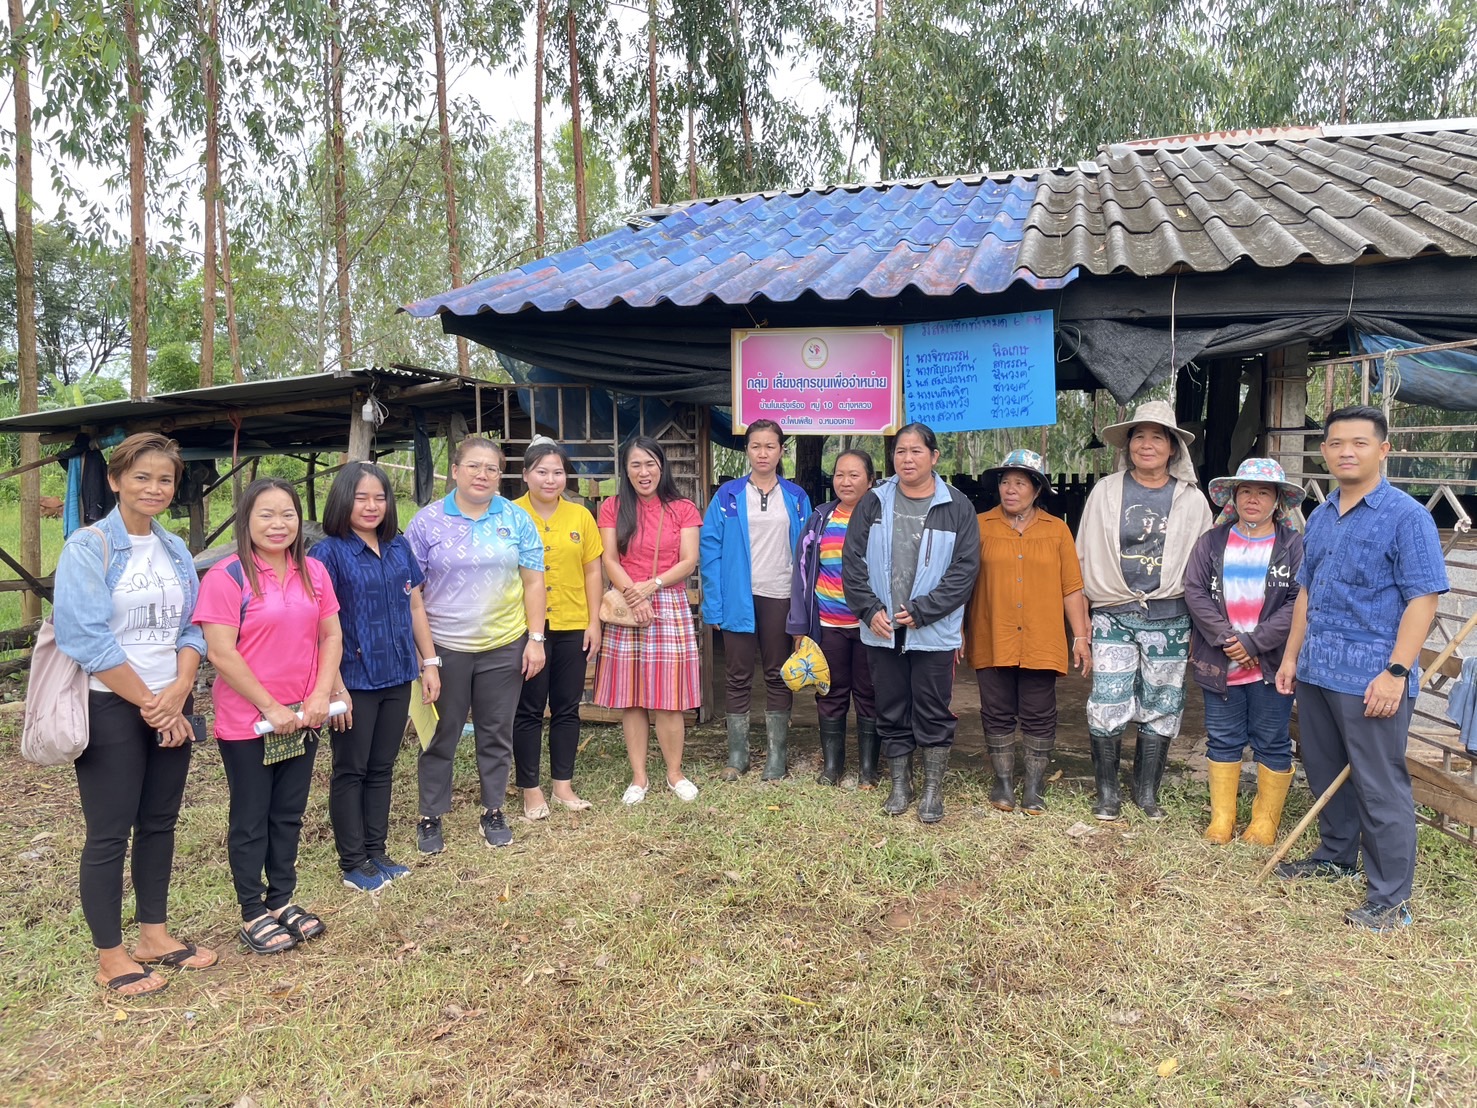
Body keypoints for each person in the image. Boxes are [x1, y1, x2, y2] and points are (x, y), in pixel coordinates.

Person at [52, 432, 215, 994]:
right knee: (108, 833)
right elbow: (86, 638)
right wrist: (152, 702)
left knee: (160, 823)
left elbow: (194, 626)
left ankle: (155, 935)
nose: (154, 488)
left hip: (172, 701)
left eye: (164, 479)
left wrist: (181, 690)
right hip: (113, 707)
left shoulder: (173, 550)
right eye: (141, 477)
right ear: (116, 480)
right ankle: (111, 955)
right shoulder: (88, 547)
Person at [1275, 406, 1447, 932]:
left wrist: (1396, 672)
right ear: (1324, 451)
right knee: (1326, 773)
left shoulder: (1406, 516)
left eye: (1360, 443)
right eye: (1336, 443)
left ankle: (1391, 899)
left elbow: (1424, 599)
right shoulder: (1323, 514)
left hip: (1372, 678)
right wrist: (1290, 657)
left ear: (1383, 449)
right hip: (1318, 670)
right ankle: (1334, 857)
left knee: (1379, 783)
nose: (1346, 451)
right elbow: (1307, 591)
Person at [195, 478, 342, 956]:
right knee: (252, 816)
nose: (278, 524)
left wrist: (320, 694)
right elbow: (221, 652)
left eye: (288, 515)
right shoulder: (228, 576)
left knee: (288, 814)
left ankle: (282, 899)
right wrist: (270, 707)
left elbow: (330, 637)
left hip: (303, 718)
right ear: (246, 520)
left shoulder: (314, 572)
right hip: (249, 723)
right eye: (265, 515)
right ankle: (252, 910)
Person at [406, 437, 545, 852]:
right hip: (446, 647)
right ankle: (430, 815)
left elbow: (534, 580)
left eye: (491, 468)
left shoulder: (516, 519)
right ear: (455, 470)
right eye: (473, 466)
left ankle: (493, 810)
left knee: (495, 732)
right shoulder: (427, 522)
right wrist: (427, 657)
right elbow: (413, 593)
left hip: (504, 643)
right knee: (441, 733)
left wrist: (535, 639)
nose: (482, 475)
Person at [1077, 400, 1213, 821]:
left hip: (1171, 616)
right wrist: (1081, 628)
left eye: (1158, 437)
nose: (1147, 445)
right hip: (1113, 613)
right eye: (1139, 436)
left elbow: (1206, 568)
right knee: (1108, 699)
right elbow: (1084, 557)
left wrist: (1201, 631)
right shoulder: (1106, 491)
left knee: (1163, 700)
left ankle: (1146, 792)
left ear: (1174, 448)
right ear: (1128, 445)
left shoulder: (1192, 500)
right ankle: (1107, 792)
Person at [841, 423, 980, 823]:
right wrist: (868, 610)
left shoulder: (957, 506)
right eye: (901, 451)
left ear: (934, 457)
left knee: (933, 708)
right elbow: (853, 563)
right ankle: (900, 784)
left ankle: (933, 789)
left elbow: (964, 570)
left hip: (932, 631)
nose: (907, 459)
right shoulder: (873, 503)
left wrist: (925, 609)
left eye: (916, 451)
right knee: (890, 705)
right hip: (882, 628)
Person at [312, 462, 439, 892]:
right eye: (361, 497)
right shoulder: (327, 553)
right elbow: (319, 625)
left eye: (379, 497)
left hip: (398, 671)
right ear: (343, 500)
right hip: (352, 678)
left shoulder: (399, 548)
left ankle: (377, 850)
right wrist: (333, 685)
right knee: (351, 768)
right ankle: (353, 862)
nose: (371, 506)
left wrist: (429, 662)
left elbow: (415, 607)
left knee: (382, 766)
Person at [963, 449, 1091, 815]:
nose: (1010, 489)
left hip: (1041, 635)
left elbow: (1071, 588)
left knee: (1039, 711)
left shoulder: (1057, 530)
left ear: (1036, 489)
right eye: (1005, 482)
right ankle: (1003, 783)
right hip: (993, 631)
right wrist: (957, 627)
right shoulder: (979, 525)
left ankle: (1034, 787)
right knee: (996, 709)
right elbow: (961, 581)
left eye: (1020, 482)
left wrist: (1080, 637)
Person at [1184, 458, 1304, 846]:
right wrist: (1228, 639)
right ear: (1234, 498)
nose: (1253, 498)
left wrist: (1253, 643)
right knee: (1222, 737)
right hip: (1222, 659)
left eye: (1263, 492)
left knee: (1271, 739)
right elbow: (1195, 591)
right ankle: (1223, 819)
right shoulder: (1212, 542)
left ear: (1278, 501)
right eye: (1246, 491)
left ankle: (1264, 823)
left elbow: (1297, 602)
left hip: (1269, 662)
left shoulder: (1292, 546)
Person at [594, 435, 703, 804]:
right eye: (635, 464)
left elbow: (688, 560)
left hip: (667, 602)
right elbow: (609, 559)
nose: (644, 472)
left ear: (662, 466)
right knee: (633, 696)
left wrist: (651, 586)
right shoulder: (612, 507)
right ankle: (639, 777)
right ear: (625, 469)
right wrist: (632, 594)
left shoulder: (683, 508)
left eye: (650, 463)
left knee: (669, 697)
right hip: (627, 607)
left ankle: (675, 773)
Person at [702, 419, 812, 781]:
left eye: (770, 446)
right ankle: (738, 756)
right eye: (755, 446)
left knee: (778, 674)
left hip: (781, 595)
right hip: (738, 597)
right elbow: (711, 550)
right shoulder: (728, 496)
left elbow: (808, 554)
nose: (762, 453)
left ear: (782, 450)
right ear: (746, 450)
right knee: (737, 675)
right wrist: (714, 604)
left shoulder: (796, 498)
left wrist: (805, 605)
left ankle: (776, 757)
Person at [511, 437, 603, 817]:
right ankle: (530, 790)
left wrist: (594, 620)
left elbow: (593, 569)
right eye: (542, 472)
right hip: (523, 626)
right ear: (525, 475)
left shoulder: (580, 516)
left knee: (567, 707)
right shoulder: (509, 513)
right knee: (529, 708)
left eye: (558, 472)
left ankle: (563, 786)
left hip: (573, 622)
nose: (550, 479)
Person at [787, 449, 880, 787]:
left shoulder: (881, 518)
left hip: (872, 626)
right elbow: (800, 575)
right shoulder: (820, 519)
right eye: (840, 474)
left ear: (870, 480)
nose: (845, 481)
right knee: (830, 692)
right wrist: (799, 626)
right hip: (828, 624)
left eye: (854, 475)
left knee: (870, 693)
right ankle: (832, 767)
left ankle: (869, 769)